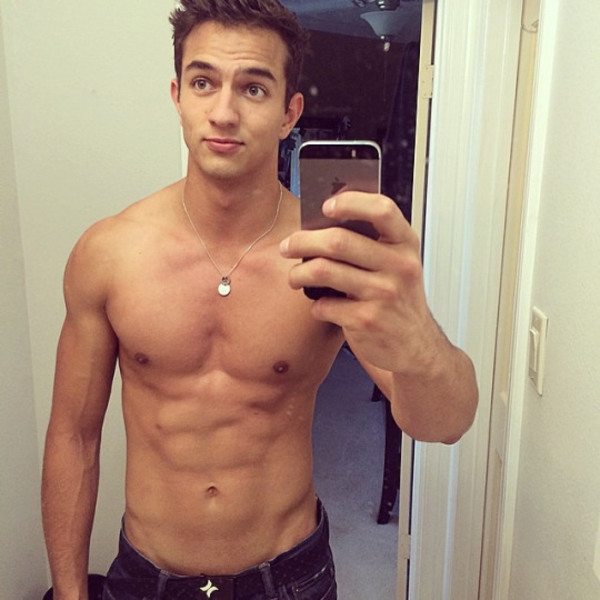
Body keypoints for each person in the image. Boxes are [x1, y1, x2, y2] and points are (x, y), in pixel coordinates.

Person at [41, 1, 478, 599]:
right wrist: (69, 593)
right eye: (203, 82)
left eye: (253, 88)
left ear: (288, 113)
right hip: (146, 578)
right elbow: (73, 436)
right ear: (177, 97)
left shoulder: (327, 256)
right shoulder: (109, 253)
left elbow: (447, 424)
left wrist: (417, 334)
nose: (223, 112)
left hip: (289, 577)